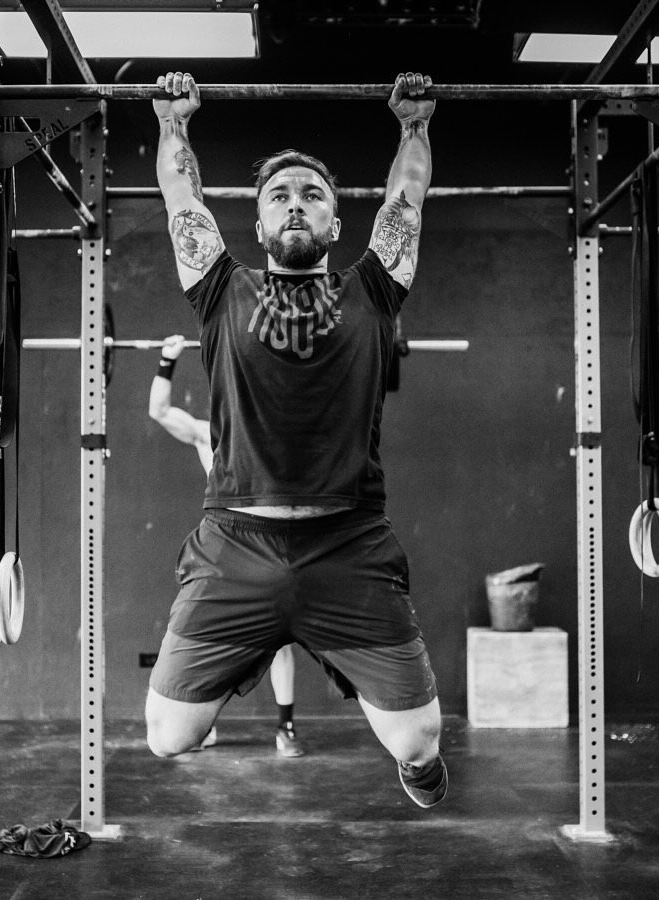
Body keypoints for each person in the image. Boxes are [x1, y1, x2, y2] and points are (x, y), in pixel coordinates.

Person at [145, 71, 446, 808]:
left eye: (313, 194)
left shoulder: (374, 290)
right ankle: (270, 650)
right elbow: (182, 200)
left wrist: (414, 125)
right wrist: (173, 124)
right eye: (279, 195)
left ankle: (403, 747)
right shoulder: (221, 289)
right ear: (258, 225)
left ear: (336, 225)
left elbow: (406, 199)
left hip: (348, 544)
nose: (296, 203)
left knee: (418, 743)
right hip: (235, 545)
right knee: (167, 737)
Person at [148, 334, 304, 758]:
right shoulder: (207, 435)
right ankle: (202, 722)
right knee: (211, 639)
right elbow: (159, 411)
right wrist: (167, 359)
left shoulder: (274, 432)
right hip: (227, 547)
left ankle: (286, 727)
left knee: (281, 639)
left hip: (273, 545)